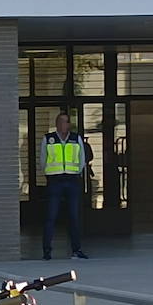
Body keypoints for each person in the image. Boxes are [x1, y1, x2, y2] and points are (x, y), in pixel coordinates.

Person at [39, 112, 92, 261]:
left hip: (71, 180)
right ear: (56, 124)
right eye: (61, 122)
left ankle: (76, 249)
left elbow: (81, 159)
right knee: (51, 217)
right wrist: (49, 174)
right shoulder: (48, 139)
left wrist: (76, 172)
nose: (64, 125)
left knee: (74, 217)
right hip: (55, 181)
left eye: (67, 122)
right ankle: (47, 251)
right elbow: (43, 160)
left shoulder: (76, 139)